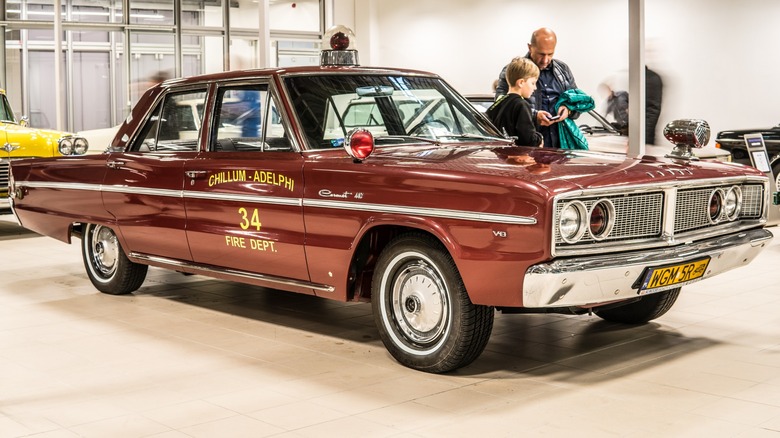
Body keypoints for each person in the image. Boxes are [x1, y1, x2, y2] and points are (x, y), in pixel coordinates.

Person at [495, 28, 577, 148]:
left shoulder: (563, 70)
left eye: (550, 54)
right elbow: (501, 104)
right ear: (530, 47)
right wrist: (533, 116)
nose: (545, 60)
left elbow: (577, 101)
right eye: (541, 54)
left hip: (561, 146)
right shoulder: (513, 70)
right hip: (528, 148)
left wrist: (569, 110)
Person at [486, 57, 543, 147]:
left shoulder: (497, 104)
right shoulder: (522, 105)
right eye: (533, 83)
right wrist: (539, 138)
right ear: (521, 83)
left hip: (499, 154)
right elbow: (527, 139)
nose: (535, 88)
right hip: (518, 157)